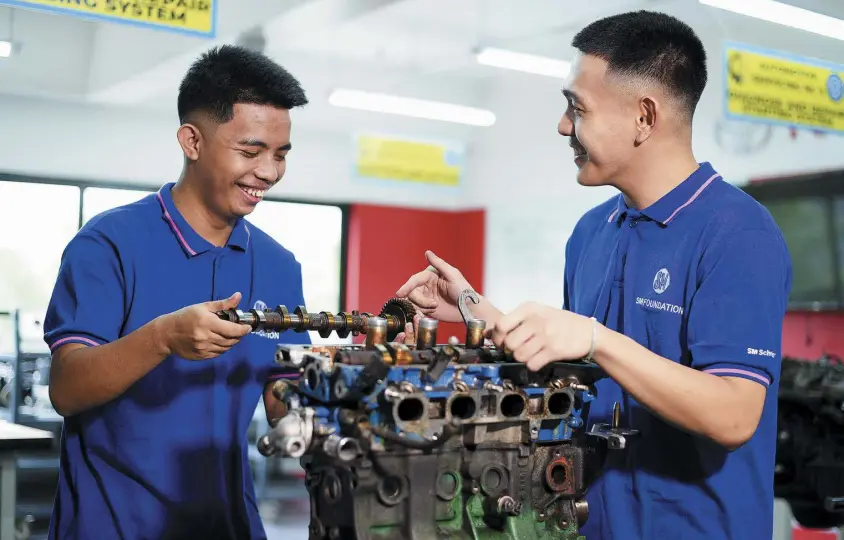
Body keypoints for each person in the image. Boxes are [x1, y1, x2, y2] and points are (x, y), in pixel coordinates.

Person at [396, 10, 791, 540]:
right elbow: (578, 375)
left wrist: (595, 338)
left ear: (644, 117)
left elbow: (735, 414)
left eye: (576, 108)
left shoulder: (739, 233)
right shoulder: (592, 232)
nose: (564, 125)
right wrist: (477, 312)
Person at [43, 45, 311, 540]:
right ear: (191, 140)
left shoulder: (279, 267)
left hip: (229, 525)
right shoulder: (108, 245)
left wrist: (348, 398)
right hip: (114, 525)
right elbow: (66, 389)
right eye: (250, 152)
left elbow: (282, 396)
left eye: (280, 155)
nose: (269, 172)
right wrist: (163, 337)